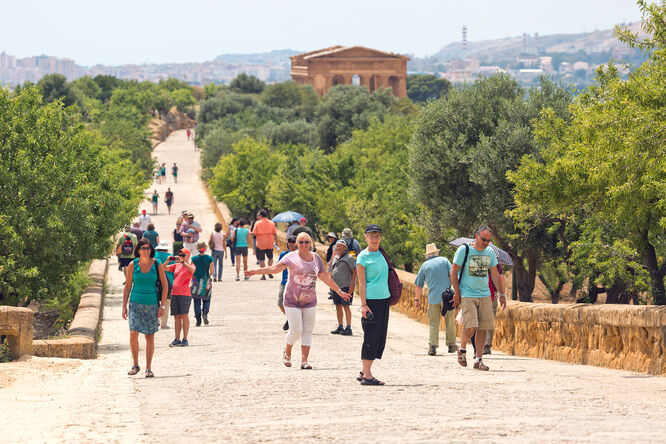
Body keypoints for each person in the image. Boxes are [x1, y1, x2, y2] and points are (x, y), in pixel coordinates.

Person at [245, 232, 351, 369]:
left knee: (307, 331)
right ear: (297, 244)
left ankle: (304, 361)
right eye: (301, 242)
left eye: (306, 242)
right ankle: (287, 351)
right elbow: (274, 269)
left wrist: (339, 291)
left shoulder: (316, 258)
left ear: (311, 244)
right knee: (296, 330)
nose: (304, 245)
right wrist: (255, 271)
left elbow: (325, 277)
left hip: (310, 301)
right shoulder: (291, 257)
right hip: (291, 300)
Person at [450, 225, 506, 371]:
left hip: (485, 294)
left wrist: (502, 294)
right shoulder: (464, 250)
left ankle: (478, 360)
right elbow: (453, 271)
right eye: (483, 239)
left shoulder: (490, 252)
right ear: (476, 236)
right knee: (472, 325)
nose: (486, 243)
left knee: (483, 327)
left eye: (489, 240)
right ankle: (462, 349)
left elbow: (494, 274)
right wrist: (457, 292)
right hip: (467, 294)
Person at [122, 238, 168, 378]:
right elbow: (128, 286)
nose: (146, 251)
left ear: (151, 250)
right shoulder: (132, 265)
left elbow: (165, 285)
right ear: (138, 250)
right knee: (133, 334)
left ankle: (148, 368)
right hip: (135, 303)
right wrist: (124, 306)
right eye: (143, 248)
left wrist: (163, 305)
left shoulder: (157, 264)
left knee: (149, 336)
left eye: (148, 248)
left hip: (152, 304)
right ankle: (135, 365)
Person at [357, 224, 390, 386]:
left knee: (380, 338)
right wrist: (363, 305)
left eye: (377, 236)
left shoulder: (381, 254)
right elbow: (361, 283)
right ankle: (367, 376)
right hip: (371, 302)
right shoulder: (363, 257)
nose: (375, 239)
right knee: (371, 337)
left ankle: (365, 370)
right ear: (366, 237)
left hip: (384, 300)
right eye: (372, 236)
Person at [414, 243, 456, 356]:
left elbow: (419, 285)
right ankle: (451, 345)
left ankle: (432, 347)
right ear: (437, 252)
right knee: (450, 321)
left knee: (433, 324)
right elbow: (453, 275)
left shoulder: (424, 265)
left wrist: (416, 299)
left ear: (427, 254)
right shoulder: (444, 261)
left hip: (433, 299)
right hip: (447, 297)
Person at [165, 248, 196, 347]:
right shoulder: (176, 265)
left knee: (184, 316)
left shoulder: (190, 265)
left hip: (185, 294)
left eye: (183, 255)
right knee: (176, 317)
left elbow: (192, 270)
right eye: (180, 255)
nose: (181, 257)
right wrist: (167, 261)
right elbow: (162, 268)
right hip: (174, 293)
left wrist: (183, 262)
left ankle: (185, 339)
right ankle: (177, 338)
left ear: (187, 256)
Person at [329, 240, 356, 336]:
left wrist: (352, 287)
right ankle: (340, 326)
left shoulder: (350, 258)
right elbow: (331, 269)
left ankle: (348, 327)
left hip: (345, 286)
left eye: (341, 246)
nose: (339, 248)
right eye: (337, 246)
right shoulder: (336, 257)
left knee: (346, 306)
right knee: (338, 306)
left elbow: (354, 272)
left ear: (345, 248)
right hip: (336, 287)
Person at [191, 242, 215, 326]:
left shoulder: (193, 259)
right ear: (205, 248)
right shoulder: (209, 258)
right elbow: (212, 271)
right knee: (207, 299)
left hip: (195, 281)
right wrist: (208, 275)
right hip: (206, 281)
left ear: (197, 248)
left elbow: (191, 270)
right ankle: (204, 313)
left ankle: (198, 320)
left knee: (196, 301)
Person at [250, 210, 278, 280]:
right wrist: (276, 242)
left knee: (262, 260)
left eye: (258, 215)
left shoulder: (257, 223)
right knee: (270, 258)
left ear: (261, 215)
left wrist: (249, 233)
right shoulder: (272, 223)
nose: (257, 216)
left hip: (260, 244)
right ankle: (269, 270)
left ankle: (263, 275)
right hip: (269, 243)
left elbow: (253, 233)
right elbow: (275, 234)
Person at [277, 236, 297, 331]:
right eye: (289, 241)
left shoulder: (300, 255)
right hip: (284, 282)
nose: (291, 243)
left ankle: (293, 320)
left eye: (293, 242)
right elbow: (277, 266)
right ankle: (290, 319)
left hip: (296, 284)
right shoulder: (283, 254)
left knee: (295, 305)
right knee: (280, 303)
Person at [154, 241, 175, 329]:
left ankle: (155, 321)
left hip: (156, 280)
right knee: (166, 302)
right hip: (168, 281)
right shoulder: (170, 256)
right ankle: (164, 323)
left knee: (155, 301)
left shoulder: (154, 255)